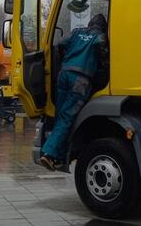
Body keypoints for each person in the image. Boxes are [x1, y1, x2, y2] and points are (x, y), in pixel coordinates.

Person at [39, 13, 109, 170]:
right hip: (80, 81)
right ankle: (49, 153)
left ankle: (58, 156)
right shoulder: (100, 37)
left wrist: (65, 58)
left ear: (90, 23)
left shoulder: (77, 32)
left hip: (64, 75)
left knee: (60, 116)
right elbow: (101, 49)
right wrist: (103, 65)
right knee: (66, 118)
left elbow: (60, 44)